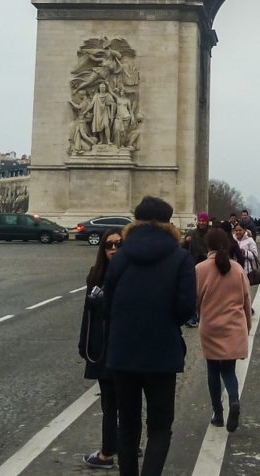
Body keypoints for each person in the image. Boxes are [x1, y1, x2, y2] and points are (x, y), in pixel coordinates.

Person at [103, 196, 196, 476]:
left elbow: (108, 302)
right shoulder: (180, 257)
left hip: (123, 352)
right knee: (159, 427)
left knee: (127, 425)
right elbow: (186, 308)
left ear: (137, 221)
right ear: (169, 223)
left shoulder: (121, 256)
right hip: (161, 353)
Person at [195, 228, 253, 432]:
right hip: (233, 325)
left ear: (207, 246)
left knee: (212, 370)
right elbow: (246, 300)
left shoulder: (200, 269)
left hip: (211, 326)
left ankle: (218, 413)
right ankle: (234, 401)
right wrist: (247, 325)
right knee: (228, 371)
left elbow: (195, 300)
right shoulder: (237, 269)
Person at [79, 229, 123, 469]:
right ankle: (108, 451)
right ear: (102, 248)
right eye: (109, 245)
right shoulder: (94, 275)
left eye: (119, 244)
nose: (114, 249)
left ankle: (120, 446)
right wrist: (82, 343)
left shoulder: (130, 275)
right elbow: (87, 313)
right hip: (101, 347)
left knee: (126, 402)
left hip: (124, 348)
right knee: (110, 404)